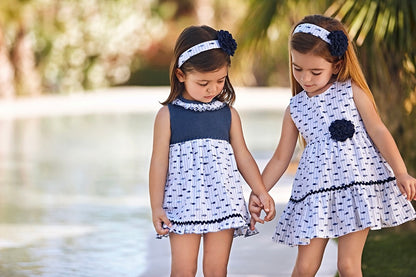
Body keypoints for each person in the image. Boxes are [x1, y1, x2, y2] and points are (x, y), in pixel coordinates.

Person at [249, 14, 416, 277]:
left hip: (356, 188)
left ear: (337, 65)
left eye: (315, 71)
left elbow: (378, 131)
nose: (305, 78)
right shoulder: (295, 109)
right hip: (315, 194)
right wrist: (259, 191)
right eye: (297, 68)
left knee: (347, 266)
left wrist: (401, 171)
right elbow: (281, 157)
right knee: (305, 268)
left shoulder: (352, 92)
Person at [149, 25, 275, 277]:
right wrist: (156, 207)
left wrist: (261, 191)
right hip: (182, 206)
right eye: (203, 82)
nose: (213, 89)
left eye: (220, 81)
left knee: (217, 271)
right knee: (183, 271)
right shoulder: (168, 116)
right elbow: (158, 164)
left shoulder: (228, 114)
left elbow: (243, 156)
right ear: (181, 75)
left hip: (223, 203)